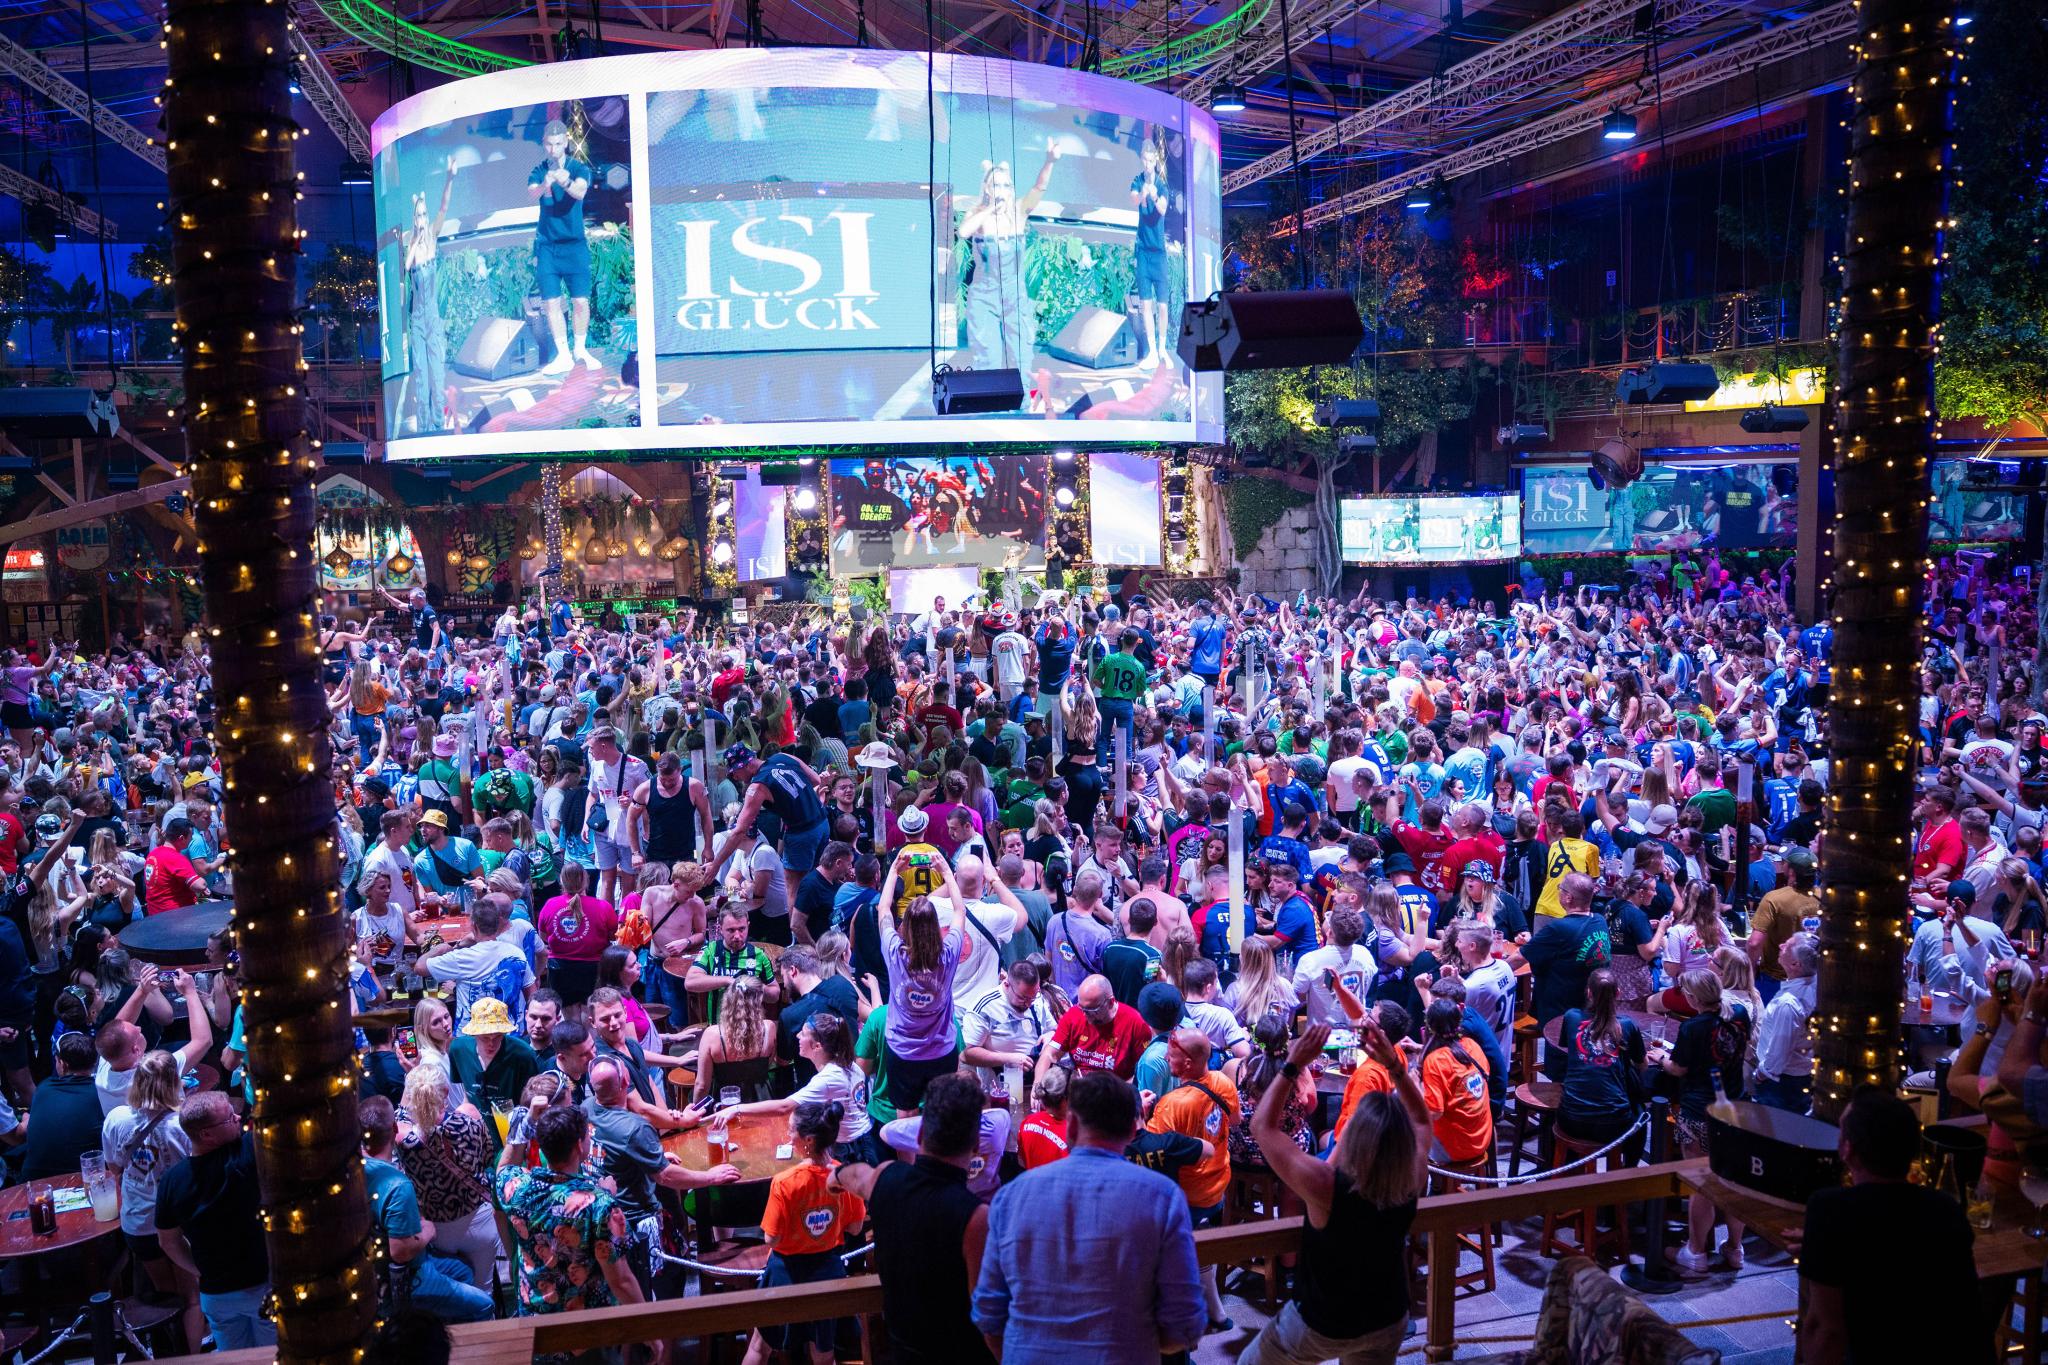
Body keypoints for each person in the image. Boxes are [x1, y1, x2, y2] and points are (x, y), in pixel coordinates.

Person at [972, 1069, 1205, 1363]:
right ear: (1132, 1130)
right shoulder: (1164, 1197)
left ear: (1070, 1127)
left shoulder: (1010, 1197)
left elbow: (989, 1314)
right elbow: (1184, 1325)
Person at [1241, 1019, 1426, 1365]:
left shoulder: (1326, 1185)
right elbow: (1421, 1120)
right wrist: (1395, 1065)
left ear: (1353, 1135)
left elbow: (1261, 1126)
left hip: (1324, 1323)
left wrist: (1293, 1065)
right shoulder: (1412, 1178)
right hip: (1388, 1315)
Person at [1799, 1087, 1989, 1365]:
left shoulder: (1830, 1209)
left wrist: (1821, 1244)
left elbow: (1826, 1332)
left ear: (1848, 1149)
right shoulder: (1945, 1208)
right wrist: (1820, 1246)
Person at [837, 1073, 995, 1364]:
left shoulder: (886, 1177)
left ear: (920, 1135)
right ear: (975, 1145)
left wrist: (834, 1177)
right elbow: (987, 1316)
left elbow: (856, 1175)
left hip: (902, 1353)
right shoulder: (976, 1218)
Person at [742, 1099, 866, 1365]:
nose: (788, 1136)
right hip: (828, 1271)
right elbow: (856, 1227)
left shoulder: (784, 1182)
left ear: (808, 1140)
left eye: (791, 1131)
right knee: (824, 1352)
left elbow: (771, 1238)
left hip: (786, 1273)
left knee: (760, 1347)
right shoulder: (846, 1177)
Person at [494, 1105, 643, 1322]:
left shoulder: (518, 1190)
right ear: (579, 1146)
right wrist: (651, 1332)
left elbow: (503, 1169)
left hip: (535, 1323)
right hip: (588, 1328)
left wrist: (526, 1123)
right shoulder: (601, 1206)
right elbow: (621, 1282)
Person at [101, 1049, 205, 1349]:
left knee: (164, 1295)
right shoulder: (183, 1125)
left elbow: (114, 1169)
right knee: (191, 1296)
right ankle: (193, 1357)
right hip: (178, 1222)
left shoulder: (116, 1119)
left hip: (138, 1222)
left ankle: (167, 1353)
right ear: (175, 1082)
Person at [360, 1095, 496, 1324]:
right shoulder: (397, 1185)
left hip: (372, 1271)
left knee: (463, 1271)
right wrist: (428, 1231)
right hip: (406, 1278)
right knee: (484, 1305)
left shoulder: (356, 1169)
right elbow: (400, 1252)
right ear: (394, 1128)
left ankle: (439, 1326)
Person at [155, 1093, 273, 1350]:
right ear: (206, 1134)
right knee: (272, 1356)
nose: (238, 1117)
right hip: (262, 1287)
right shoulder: (247, 1153)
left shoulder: (171, 1181)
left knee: (233, 1359)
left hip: (215, 1295)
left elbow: (168, 1241)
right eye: (229, 1118)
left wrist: (199, 1270)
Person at [877, 851, 969, 1114]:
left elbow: (883, 910)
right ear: (936, 926)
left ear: (904, 926)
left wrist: (893, 872)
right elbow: (960, 910)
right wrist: (947, 873)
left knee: (905, 1115)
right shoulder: (949, 953)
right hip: (941, 1051)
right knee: (942, 1115)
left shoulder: (894, 952)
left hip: (903, 1051)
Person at [528, 118, 602, 377]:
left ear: (566, 143)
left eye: (558, 144)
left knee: (580, 301)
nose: (554, 149)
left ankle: (580, 349)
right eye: (549, 144)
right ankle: (563, 355)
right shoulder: (538, 170)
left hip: (574, 246)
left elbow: (580, 192)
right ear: (544, 144)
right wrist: (546, 184)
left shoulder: (578, 168)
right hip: (547, 247)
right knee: (551, 303)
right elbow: (532, 193)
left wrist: (565, 182)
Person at [1035, 972, 1149, 1086]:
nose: (1085, 1015)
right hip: (1081, 1088)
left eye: (1092, 1010)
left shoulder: (1136, 1024)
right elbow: (1049, 1054)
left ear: (1110, 1002)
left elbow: (1144, 1073)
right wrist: (1038, 1085)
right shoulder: (1074, 1015)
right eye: (1082, 1008)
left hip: (1117, 1090)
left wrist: (1119, 1090)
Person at [1752, 932, 1818, 1112]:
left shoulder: (1787, 1004)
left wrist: (1760, 1075)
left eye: (1787, 946)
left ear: (1796, 964)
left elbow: (1778, 1055)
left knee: (1773, 1127)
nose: (1781, 946)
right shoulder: (1816, 984)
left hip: (1780, 1085)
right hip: (1802, 1076)